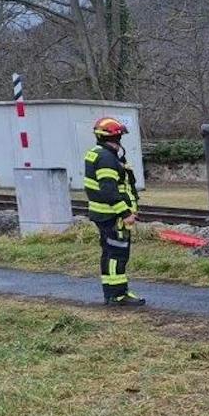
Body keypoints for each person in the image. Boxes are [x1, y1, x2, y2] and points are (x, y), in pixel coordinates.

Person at [83, 117, 145, 307]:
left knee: (108, 253)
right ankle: (118, 294)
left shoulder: (96, 153)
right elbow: (109, 190)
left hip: (102, 213)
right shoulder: (107, 158)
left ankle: (110, 292)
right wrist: (125, 213)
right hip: (112, 215)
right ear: (116, 136)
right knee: (117, 254)